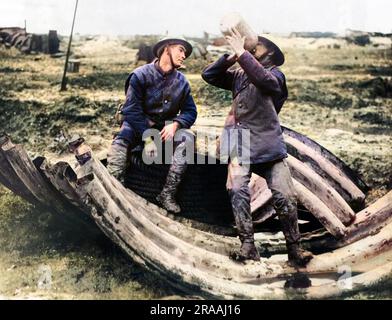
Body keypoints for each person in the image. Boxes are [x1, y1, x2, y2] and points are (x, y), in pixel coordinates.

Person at [202, 28, 313, 267]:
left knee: (285, 196)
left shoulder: (276, 75)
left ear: (270, 53)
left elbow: (263, 80)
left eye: (259, 45)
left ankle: (295, 250)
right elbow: (209, 75)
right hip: (239, 143)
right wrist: (233, 56)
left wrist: (242, 53)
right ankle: (248, 247)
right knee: (237, 192)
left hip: (268, 144)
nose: (254, 45)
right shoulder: (239, 75)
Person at [107, 36, 197, 214]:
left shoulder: (182, 82)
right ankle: (114, 190)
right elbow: (131, 110)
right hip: (138, 125)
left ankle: (167, 194)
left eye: (185, 52)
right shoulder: (140, 75)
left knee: (187, 138)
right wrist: (148, 137)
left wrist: (176, 124)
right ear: (166, 49)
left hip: (164, 130)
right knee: (121, 141)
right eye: (180, 50)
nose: (183, 55)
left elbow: (190, 111)